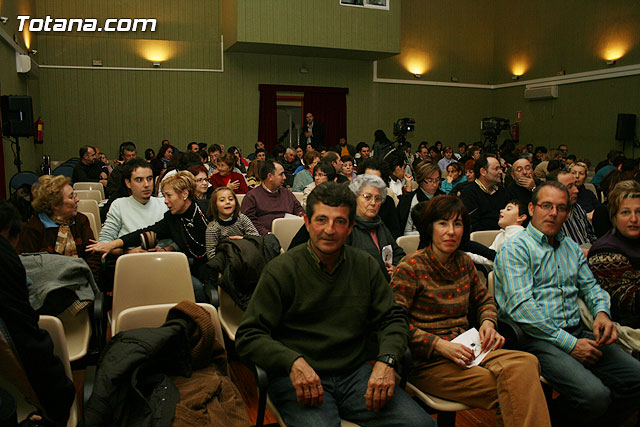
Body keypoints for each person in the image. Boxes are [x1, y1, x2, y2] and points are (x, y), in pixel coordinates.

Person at [235, 182, 434, 427]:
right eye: (321, 220)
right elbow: (249, 335)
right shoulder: (282, 270)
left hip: (354, 373)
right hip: (299, 375)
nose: (329, 230)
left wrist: (388, 359)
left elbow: (392, 318)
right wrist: (291, 361)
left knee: (421, 424)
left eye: (339, 222)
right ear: (307, 223)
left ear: (350, 227)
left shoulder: (365, 266)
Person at [391, 195, 550, 427]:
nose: (451, 231)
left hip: (470, 349)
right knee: (516, 388)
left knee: (527, 364)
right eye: (442, 224)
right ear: (429, 228)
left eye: (457, 224)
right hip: (429, 361)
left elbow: (485, 301)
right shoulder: (410, 267)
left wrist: (488, 323)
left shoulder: (464, 262)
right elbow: (394, 322)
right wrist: (438, 344)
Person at [494, 181, 640, 426]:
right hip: (536, 339)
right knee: (595, 396)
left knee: (636, 378)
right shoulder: (515, 249)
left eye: (561, 208)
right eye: (546, 206)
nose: (553, 213)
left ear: (568, 213)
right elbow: (521, 309)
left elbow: (592, 287)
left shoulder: (571, 247)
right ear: (531, 208)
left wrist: (602, 313)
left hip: (576, 331)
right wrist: (571, 344)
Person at [0, 200, 76, 426]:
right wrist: (58, 404)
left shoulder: (79, 222)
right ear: (8, 234)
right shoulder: (4, 260)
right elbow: (18, 341)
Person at [87, 171, 210, 302]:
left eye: (169, 196)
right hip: (192, 268)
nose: (166, 201)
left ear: (185, 194)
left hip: (214, 264)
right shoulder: (171, 218)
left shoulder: (207, 208)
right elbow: (144, 232)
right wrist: (112, 244)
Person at [17, 175, 101, 277]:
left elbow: (92, 256)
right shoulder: (34, 228)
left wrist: (87, 281)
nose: (77, 200)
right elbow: (31, 267)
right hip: (47, 286)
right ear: (55, 205)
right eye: (71, 197)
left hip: (83, 281)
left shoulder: (80, 220)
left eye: (75, 195)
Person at [588, 180, 640, 328]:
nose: (634, 219)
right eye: (625, 212)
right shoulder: (604, 252)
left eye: (639, 211)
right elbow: (627, 302)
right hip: (627, 331)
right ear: (614, 216)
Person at [99, 159, 168, 248]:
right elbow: (104, 241)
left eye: (149, 179)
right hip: (129, 258)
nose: (146, 184)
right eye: (139, 180)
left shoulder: (165, 203)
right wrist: (128, 252)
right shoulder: (119, 205)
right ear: (128, 183)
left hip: (163, 257)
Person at [348, 175, 405, 281]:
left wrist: (395, 267)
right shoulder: (348, 228)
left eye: (377, 199)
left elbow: (398, 253)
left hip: (384, 287)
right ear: (355, 197)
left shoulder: (379, 225)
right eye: (367, 197)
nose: (373, 203)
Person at [241, 159, 304, 234]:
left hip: (290, 234)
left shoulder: (287, 193)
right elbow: (249, 222)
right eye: (281, 174)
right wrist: (268, 234)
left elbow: (299, 210)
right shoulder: (252, 196)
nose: (284, 177)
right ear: (270, 176)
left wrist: (301, 216)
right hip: (264, 238)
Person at [205, 187, 259, 260]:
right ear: (215, 205)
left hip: (247, 255)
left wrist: (242, 239)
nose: (227, 202)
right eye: (222, 200)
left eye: (231, 199)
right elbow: (211, 255)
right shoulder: (213, 228)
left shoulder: (242, 218)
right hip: (226, 262)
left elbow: (256, 238)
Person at [460, 153, 507, 231]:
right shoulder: (469, 193)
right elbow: (471, 225)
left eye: (500, 168)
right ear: (483, 171)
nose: (501, 172)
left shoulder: (501, 191)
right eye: (496, 169)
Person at [398, 161, 445, 235]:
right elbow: (406, 232)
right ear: (421, 180)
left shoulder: (443, 198)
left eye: (437, 180)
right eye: (430, 181)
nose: (435, 184)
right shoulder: (410, 200)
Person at [551, 170, 596, 247]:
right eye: (570, 187)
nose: (576, 190)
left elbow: (591, 236)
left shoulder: (577, 208)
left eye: (575, 185)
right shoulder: (550, 215)